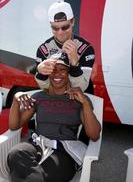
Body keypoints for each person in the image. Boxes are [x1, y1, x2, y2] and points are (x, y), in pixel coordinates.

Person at [7, 53, 101, 182]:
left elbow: (94, 134)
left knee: (26, 175)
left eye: (62, 70)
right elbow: (14, 125)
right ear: (48, 74)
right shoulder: (39, 97)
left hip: (64, 151)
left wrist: (84, 102)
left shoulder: (78, 99)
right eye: (53, 70)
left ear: (69, 74)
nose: (57, 74)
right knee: (15, 153)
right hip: (37, 145)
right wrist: (16, 100)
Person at [35, 1, 95, 93]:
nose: (60, 32)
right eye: (55, 28)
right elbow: (45, 88)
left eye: (65, 27)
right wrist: (41, 73)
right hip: (56, 102)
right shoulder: (44, 50)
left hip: (81, 101)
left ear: (73, 22)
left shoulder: (86, 49)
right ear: (50, 25)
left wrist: (75, 63)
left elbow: (81, 88)